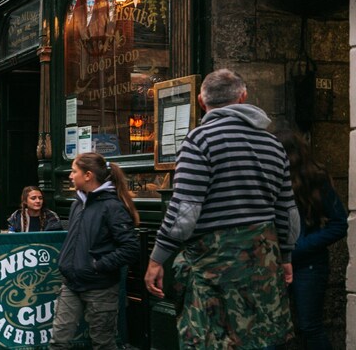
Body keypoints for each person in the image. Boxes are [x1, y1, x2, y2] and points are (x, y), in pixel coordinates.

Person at [144, 69, 299, 348]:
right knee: (260, 338)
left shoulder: (199, 141)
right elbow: (287, 210)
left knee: (211, 339)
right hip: (262, 263)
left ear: (203, 103)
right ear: (243, 98)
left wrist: (157, 258)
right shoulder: (273, 145)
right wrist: (286, 255)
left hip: (214, 266)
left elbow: (184, 213)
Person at [50, 153, 140, 350]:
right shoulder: (77, 204)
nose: (70, 176)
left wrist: (98, 265)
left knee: (103, 344)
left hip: (100, 288)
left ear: (88, 175)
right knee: (58, 341)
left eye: (74, 171)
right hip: (71, 284)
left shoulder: (112, 206)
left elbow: (131, 248)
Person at [274, 126, 345, 349]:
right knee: (273, 329)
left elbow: (339, 224)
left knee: (309, 326)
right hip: (274, 265)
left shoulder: (316, 180)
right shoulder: (270, 180)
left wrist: (299, 247)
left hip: (309, 266)